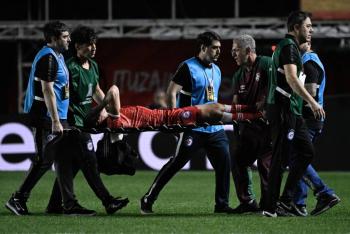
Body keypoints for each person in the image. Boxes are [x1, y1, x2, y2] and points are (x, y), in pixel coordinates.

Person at [5, 21, 95, 216]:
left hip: (58, 117)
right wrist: (55, 120)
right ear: (53, 39)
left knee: (67, 158)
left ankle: (67, 204)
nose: (69, 39)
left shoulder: (58, 56)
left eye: (68, 36)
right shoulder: (48, 58)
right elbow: (47, 89)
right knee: (43, 160)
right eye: (65, 37)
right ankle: (18, 198)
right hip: (44, 118)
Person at [139, 31, 235, 214]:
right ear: (203, 48)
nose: (218, 52)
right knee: (176, 164)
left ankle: (222, 205)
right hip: (192, 127)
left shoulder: (217, 70)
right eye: (214, 48)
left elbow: (212, 99)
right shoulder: (187, 67)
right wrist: (175, 119)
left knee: (224, 163)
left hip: (213, 128)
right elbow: (171, 92)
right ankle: (148, 198)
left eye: (220, 48)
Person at [44, 26, 129, 215]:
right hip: (73, 123)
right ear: (77, 46)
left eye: (95, 44)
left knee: (70, 165)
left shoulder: (93, 65)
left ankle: (56, 205)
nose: (93, 48)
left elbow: (96, 90)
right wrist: (100, 107)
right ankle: (108, 201)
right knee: (89, 161)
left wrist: (106, 110)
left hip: (84, 122)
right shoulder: (69, 68)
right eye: (89, 45)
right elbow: (65, 98)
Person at [262, 11, 326, 217]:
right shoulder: (289, 47)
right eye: (307, 26)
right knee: (280, 159)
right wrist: (312, 102)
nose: (311, 30)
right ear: (296, 27)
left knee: (307, 152)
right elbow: (291, 78)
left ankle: (287, 200)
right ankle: (271, 208)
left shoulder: (288, 48)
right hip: (284, 110)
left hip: (293, 111)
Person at [291, 41, 340, 216]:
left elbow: (310, 92)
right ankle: (299, 204)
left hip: (309, 118)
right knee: (297, 157)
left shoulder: (308, 62)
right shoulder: (312, 59)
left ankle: (324, 193)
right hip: (313, 119)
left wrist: (291, 91)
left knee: (296, 158)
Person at [229, 34, 272, 214]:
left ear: (248, 50)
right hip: (249, 130)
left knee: (266, 165)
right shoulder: (238, 74)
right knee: (238, 160)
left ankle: (269, 205)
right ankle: (248, 202)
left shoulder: (267, 64)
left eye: (235, 50)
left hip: (268, 128)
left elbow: (279, 87)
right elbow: (235, 102)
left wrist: (267, 104)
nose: (233, 54)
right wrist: (237, 128)